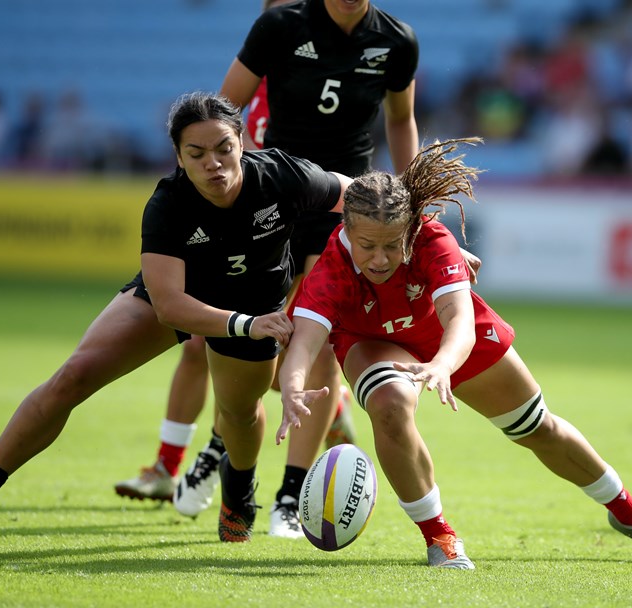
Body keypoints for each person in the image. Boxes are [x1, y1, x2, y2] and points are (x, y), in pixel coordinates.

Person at [0, 91, 351, 543]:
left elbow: (355, 196)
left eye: (224, 148)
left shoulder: (282, 175)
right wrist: (246, 324)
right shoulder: (168, 203)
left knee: (239, 412)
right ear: (178, 156)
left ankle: (239, 491)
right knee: (74, 375)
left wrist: (399, 220)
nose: (214, 163)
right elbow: (169, 305)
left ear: (242, 142)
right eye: (197, 153)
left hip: (254, 304)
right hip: (189, 300)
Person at [277, 137, 632, 568]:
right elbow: (306, 340)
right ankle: (439, 535)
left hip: (444, 336)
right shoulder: (331, 267)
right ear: (346, 229)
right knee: (389, 403)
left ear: (411, 229)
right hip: (370, 341)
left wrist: (442, 362)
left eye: (392, 245)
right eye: (368, 246)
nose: (381, 259)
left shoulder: (432, 240)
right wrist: (292, 388)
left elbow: (459, 320)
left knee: (538, 430)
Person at [117, 0, 422, 540]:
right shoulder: (278, 35)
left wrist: (411, 202)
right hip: (272, 197)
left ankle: (287, 494)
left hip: (336, 200)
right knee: (209, 342)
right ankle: (192, 457)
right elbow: (216, 116)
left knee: (315, 338)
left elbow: (401, 119)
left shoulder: (396, 41)